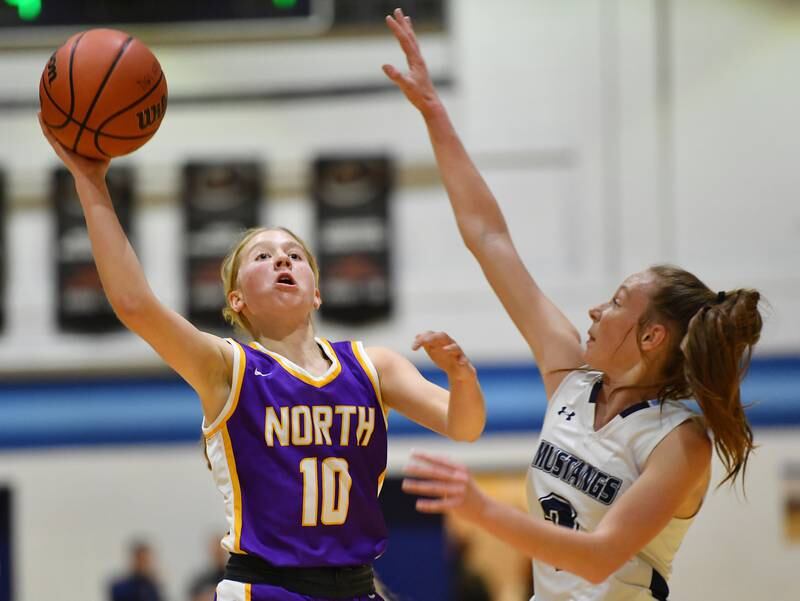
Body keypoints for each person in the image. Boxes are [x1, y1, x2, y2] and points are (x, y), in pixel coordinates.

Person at [383, 8, 762, 601]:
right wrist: (435, 114)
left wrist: (482, 509)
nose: (593, 311)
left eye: (615, 303)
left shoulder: (679, 444)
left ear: (652, 336)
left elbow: (598, 559)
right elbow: (490, 238)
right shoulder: (572, 382)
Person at [39, 115, 486, 601]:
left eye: (295, 255)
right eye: (262, 256)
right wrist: (90, 182)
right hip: (267, 588)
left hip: (358, 587)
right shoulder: (227, 368)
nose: (282, 260)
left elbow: (464, 426)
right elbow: (133, 303)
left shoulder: (373, 365)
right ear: (237, 301)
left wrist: (462, 375)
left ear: (316, 292)